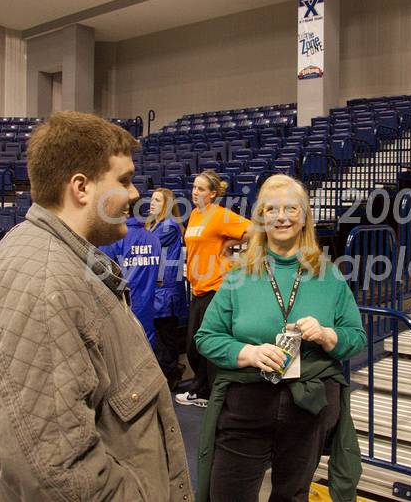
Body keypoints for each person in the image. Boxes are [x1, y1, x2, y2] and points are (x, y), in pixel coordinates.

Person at [0, 111, 192, 502]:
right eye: (123, 180)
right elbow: (53, 472)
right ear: (81, 188)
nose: (135, 193)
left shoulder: (53, 257)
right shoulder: (47, 281)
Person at [194, 174, 367, 502]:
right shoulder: (240, 276)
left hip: (308, 409)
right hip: (247, 404)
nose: (282, 217)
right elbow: (207, 337)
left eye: (291, 208)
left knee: (292, 495)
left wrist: (330, 336)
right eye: (271, 209)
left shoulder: (328, 275)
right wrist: (247, 353)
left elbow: (355, 336)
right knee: (227, 494)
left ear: (304, 217)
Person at [175, 170, 251, 407]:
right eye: (194, 187)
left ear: (212, 194)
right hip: (198, 288)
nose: (195, 192)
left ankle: (209, 394)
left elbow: (255, 231)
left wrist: (231, 242)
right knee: (193, 345)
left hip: (216, 287)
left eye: (200, 189)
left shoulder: (219, 215)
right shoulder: (195, 215)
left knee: (207, 344)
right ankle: (204, 389)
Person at [100, 208, 162, 347]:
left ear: (125, 212)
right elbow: (159, 279)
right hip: (147, 311)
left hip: (123, 311)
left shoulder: (113, 239)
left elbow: (102, 276)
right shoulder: (154, 238)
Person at [146, 187, 188, 389]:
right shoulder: (155, 225)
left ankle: (172, 372)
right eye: (152, 199)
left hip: (166, 290)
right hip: (157, 290)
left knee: (166, 335)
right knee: (161, 334)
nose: (152, 203)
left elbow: (147, 245)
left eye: (157, 200)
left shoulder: (169, 226)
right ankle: (170, 369)